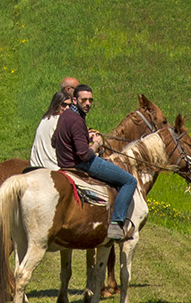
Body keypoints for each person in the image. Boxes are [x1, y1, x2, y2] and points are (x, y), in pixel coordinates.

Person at [53, 84, 137, 241]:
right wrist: (96, 144)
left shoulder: (65, 116)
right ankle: (116, 223)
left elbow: (55, 141)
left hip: (63, 162)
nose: (88, 103)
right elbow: (84, 155)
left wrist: (86, 137)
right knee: (129, 181)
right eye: (83, 100)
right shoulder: (77, 121)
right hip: (81, 164)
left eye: (90, 100)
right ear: (74, 99)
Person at [28, 88, 70, 169]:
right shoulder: (61, 121)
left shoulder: (45, 119)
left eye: (70, 105)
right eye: (64, 105)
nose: (67, 108)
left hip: (35, 164)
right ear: (57, 104)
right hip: (53, 165)